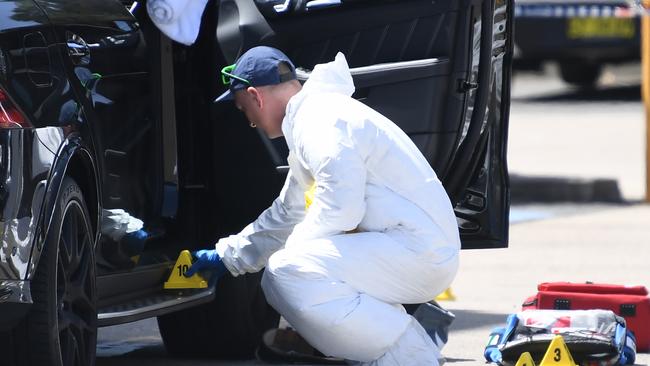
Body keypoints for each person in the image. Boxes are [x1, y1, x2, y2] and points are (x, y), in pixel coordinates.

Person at [185, 46, 461, 365]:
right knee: (296, 268)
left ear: (254, 96)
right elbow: (289, 213)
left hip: (418, 252)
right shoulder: (315, 117)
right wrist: (228, 255)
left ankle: (409, 357)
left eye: (243, 109)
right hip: (413, 247)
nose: (251, 122)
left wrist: (297, 255)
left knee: (289, 271)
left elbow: (341, 208)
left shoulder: (321, 121)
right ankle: (404, 354)